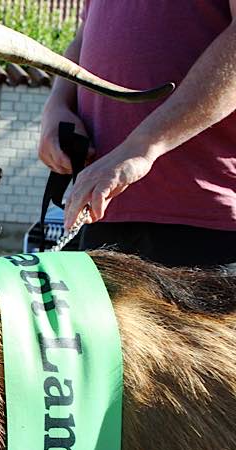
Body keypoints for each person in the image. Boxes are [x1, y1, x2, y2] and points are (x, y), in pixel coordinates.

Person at [38, 0, 236, 269]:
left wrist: (143, 146)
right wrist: (57, 104)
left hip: (206, 218)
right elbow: (85, 36)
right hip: (101, 209)